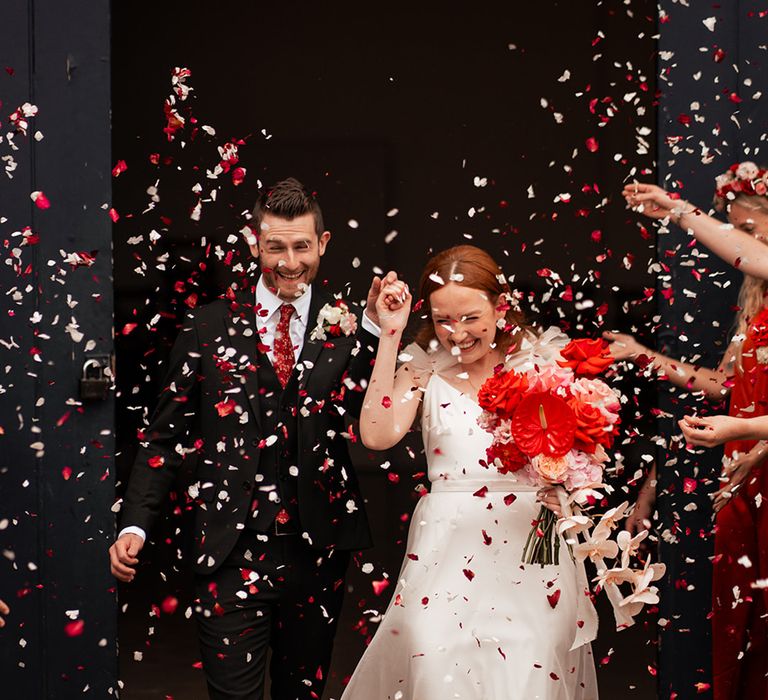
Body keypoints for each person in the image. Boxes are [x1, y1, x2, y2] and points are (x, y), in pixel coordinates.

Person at [109, 177, 397, 699]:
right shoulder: (207, 326)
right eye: (275, 247)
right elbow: (163, 438)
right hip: (228, 550)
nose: (290, 262)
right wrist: (135, 524)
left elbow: (364, 416)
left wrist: (379, 331)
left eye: (302, 246)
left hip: (317, 554)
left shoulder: (349, 326)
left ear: (323, 244)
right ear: (253, 243)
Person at [341, 245, 598, 700]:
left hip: (530, 554)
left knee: (528, 675)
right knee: (436, 665)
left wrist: (566, 487)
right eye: (443, 320)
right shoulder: (423, 368)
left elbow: (582, 457)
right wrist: (390, 335)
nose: (455, 334)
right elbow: (377, 434)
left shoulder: (540, 368)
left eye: (469, 317)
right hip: (444, 558)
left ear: (501, 307)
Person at [609, 163, 768, 700]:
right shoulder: (756, 302)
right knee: (741, 616)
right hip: (743, 474)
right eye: (736, 229)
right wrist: (643, 356)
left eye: (749, 231)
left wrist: (677, 209)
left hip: (755, 453)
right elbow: (725, 384)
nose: (740, 243)